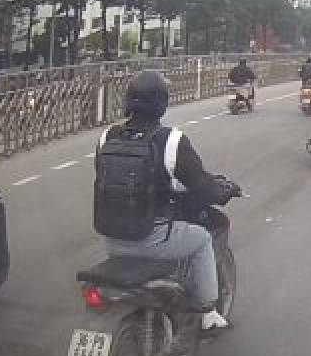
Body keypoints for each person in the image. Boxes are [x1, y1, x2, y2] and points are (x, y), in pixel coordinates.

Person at [95, 70, 239, 335]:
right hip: (153, 238)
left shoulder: (108, 136)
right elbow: (203, 187)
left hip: (112, 240)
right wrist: (226, 190)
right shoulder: (171, 141)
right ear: (162, 103)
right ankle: (208, 313)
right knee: (202, 239)